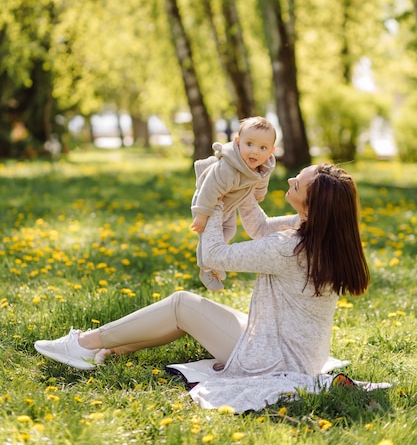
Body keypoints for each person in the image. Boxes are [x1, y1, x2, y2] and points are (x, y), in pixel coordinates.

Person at [34, 163, 370, 412]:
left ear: (311, 207)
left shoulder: (290, 248)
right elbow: (259, 226)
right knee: (191, 314)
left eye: (298, 184)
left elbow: (215, 255)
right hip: (296, 354)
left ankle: (84, 344)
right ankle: (106, 350)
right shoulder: (326, 237)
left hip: (273, 360)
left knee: (183, 304)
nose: (290, 179)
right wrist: (243, 180)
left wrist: (214, 198)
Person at [190, 116, 276, 290]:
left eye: (263, 147)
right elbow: (209, 189)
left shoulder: (264, 165)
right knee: (206, 237)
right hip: (207, 203)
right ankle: (205, 268)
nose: (255, 152)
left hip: (227, 207)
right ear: (237, 142)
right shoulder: (228, 168)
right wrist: (201, 215)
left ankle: (215, 261)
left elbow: (261, 179)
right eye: (249, 144)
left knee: (228, 231)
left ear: (271, 151)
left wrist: (260, 193)